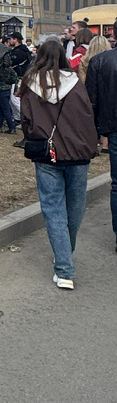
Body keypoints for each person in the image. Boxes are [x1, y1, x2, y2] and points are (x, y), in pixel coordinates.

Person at [19, 39, 98, 290]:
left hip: (46, 151)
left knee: (53, 208)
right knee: (75, 207)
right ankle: (65, 256)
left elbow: (25, 119)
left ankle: (64, 267)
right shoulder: (75, 83)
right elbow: (86, 116)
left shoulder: (30, 83)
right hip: (77, 152)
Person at [83, 37, 117, 248]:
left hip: (112, 125)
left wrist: (94, 131)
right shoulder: (100, 61)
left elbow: (91, 100)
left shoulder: (99, 61)